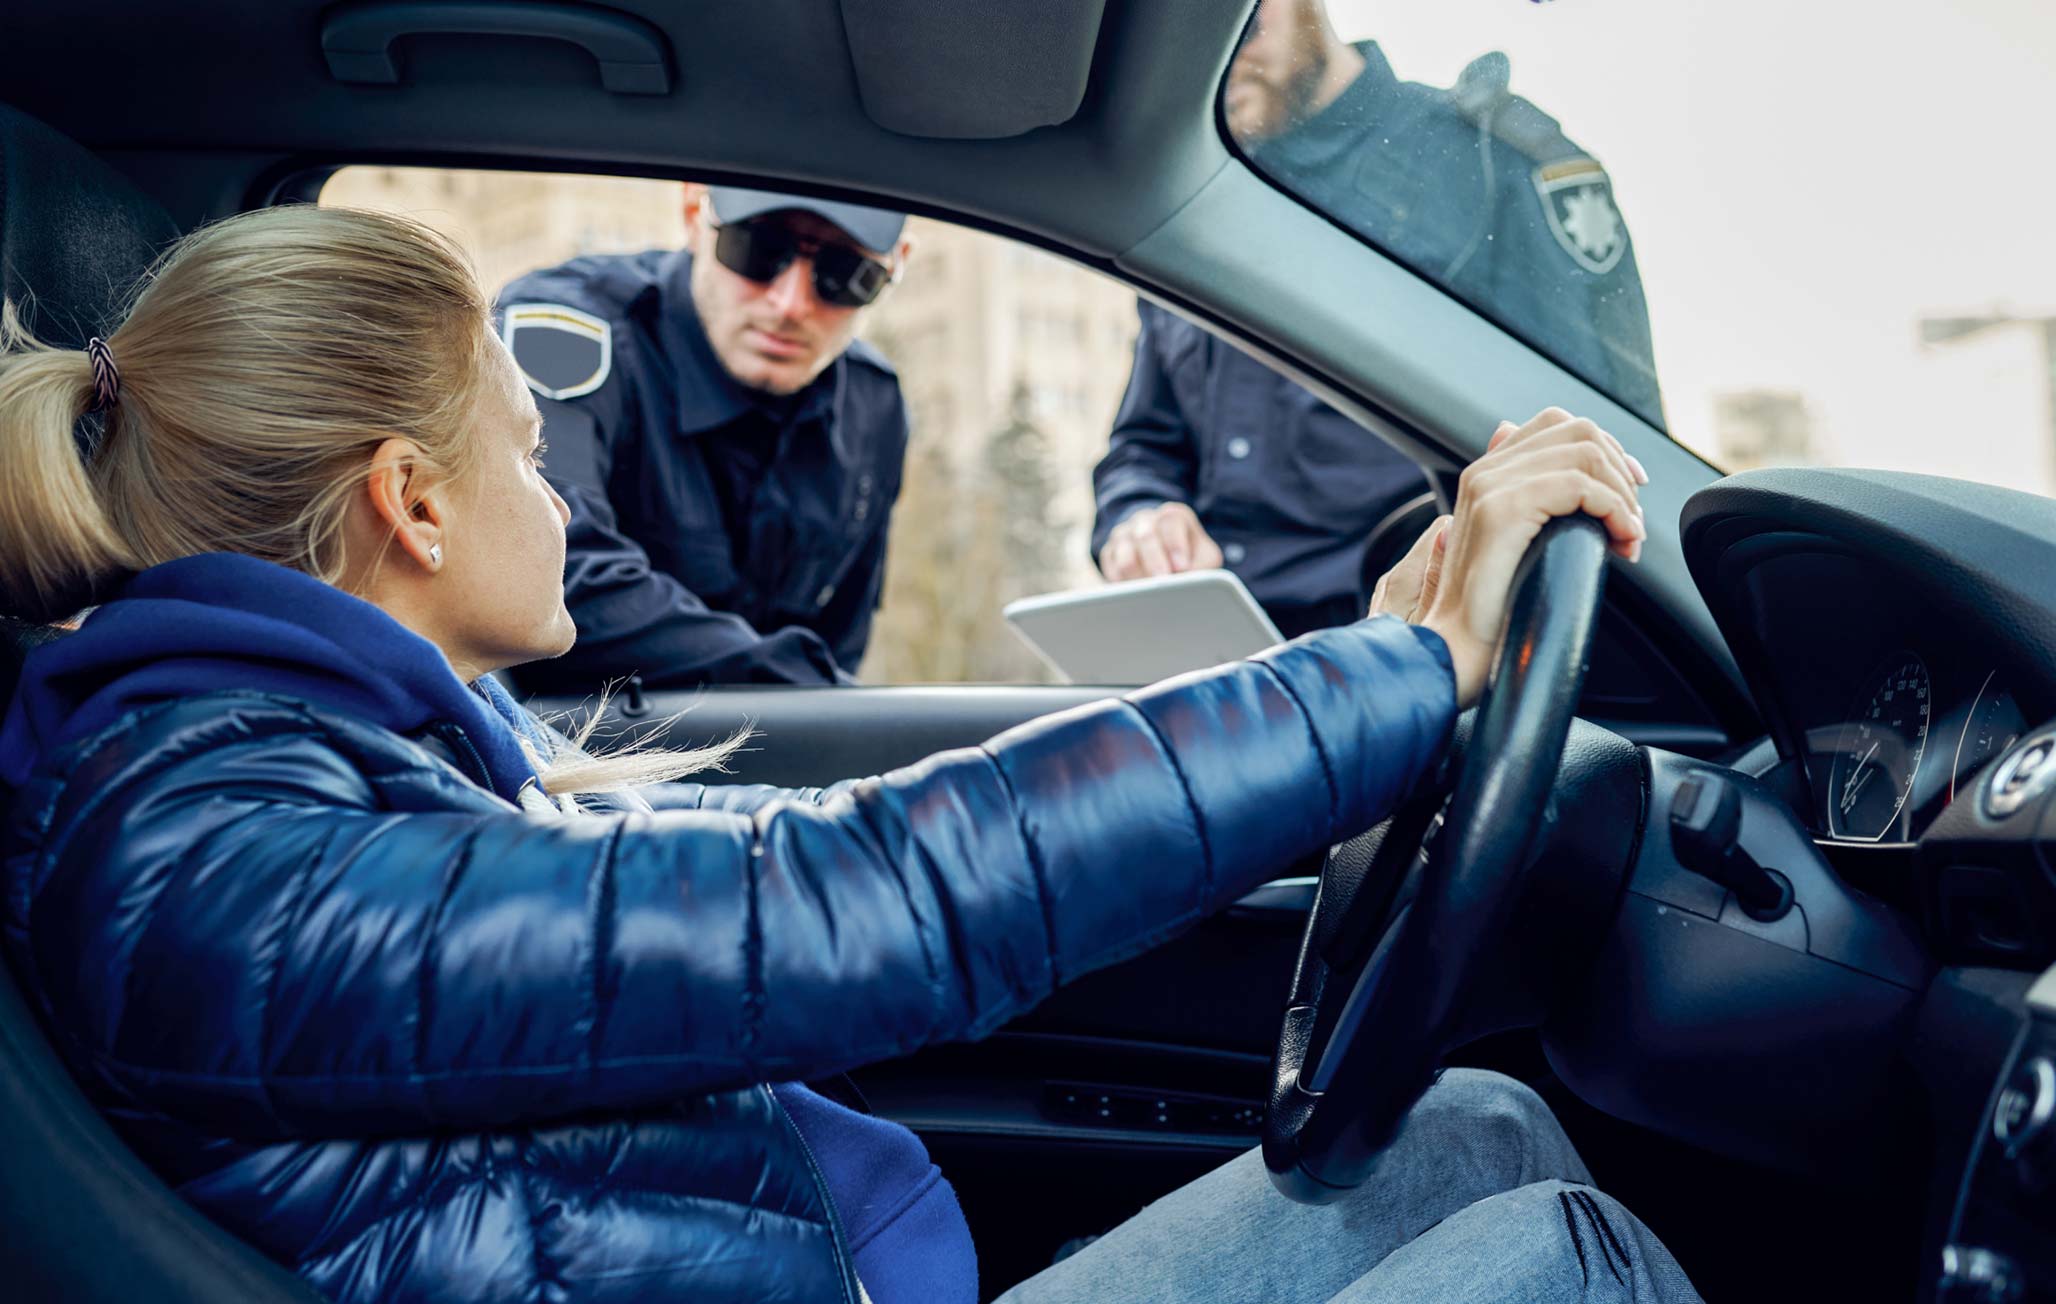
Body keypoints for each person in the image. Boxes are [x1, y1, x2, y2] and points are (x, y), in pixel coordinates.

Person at [0, 206, 1690, 1304]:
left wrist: (1370, 679)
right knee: (1567, 1258)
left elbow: (796, 834)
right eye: (527, 452)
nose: (558, 497)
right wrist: (1391, 683)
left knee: (1470, 1127)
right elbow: (851, 894)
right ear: (412, 501)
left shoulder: (312, 767)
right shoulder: (222, 858)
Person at [1095, 0, 1659, 638]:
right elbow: (1144, 445)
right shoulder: (1185, 206)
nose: (1223, 65)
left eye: (1238, 26)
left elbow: (1599, 447)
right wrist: (1140, 516)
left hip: (1404, 653)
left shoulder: (1482, 168)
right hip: (1211, 662)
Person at [497, 183, 913, 690]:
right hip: (572, 749)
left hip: (788, 750)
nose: (790, 304)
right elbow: (551, 568)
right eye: (758, 250)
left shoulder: (874, 404)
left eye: (844, 275)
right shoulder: (565, 330)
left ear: (896, 265)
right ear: (695, 213)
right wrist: (800, 684)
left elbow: (842, 640)